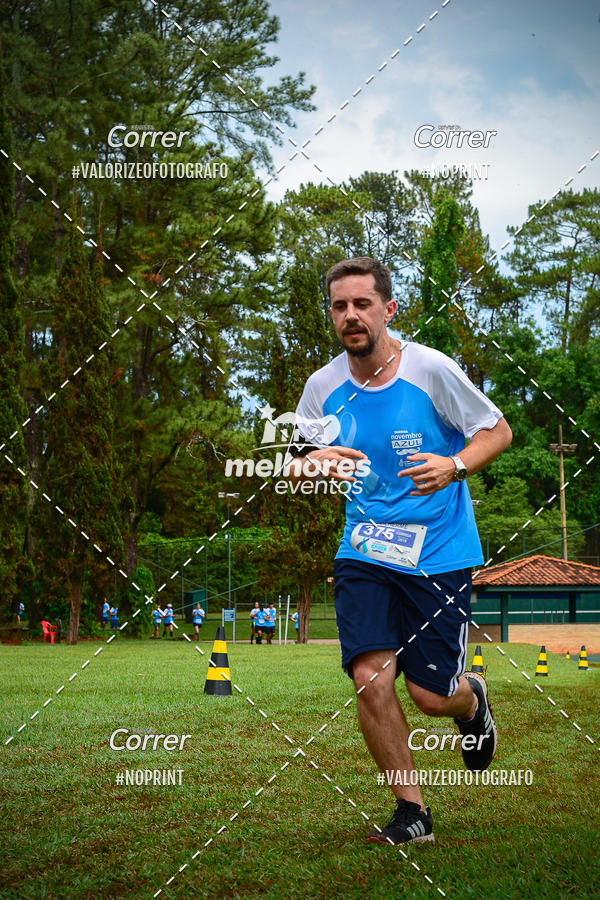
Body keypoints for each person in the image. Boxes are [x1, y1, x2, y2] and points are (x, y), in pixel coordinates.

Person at [288, 257, 512, 845]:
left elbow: (498, 430)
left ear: (389, 309)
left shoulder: (430, 370)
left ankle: (470, 703)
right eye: (340, 306)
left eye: (362, 304)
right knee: (371, 677)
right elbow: (296, 461)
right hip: (363, 549)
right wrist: (313, 462)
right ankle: (412, 812)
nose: (350, 316)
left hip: (437, 551)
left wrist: (456, 464)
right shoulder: (322, 387)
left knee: (429, 693)